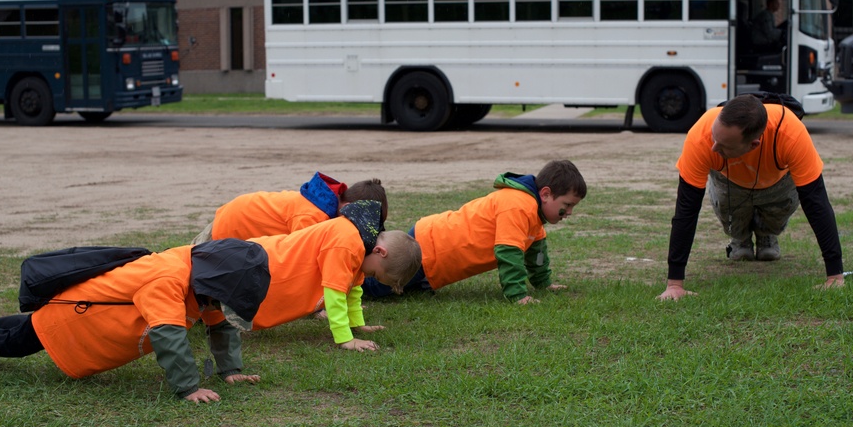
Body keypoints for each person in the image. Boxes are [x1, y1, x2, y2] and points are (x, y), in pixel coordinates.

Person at [0, 240, 271, 401]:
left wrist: (230, 371)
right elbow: (168, 336)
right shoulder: (169, 280)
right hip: (75, 318)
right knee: (17, 342)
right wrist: (188, 389)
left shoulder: (205, 280)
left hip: (79, 309)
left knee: (26, 328)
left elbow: (220, 323)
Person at [658, 93, 845, 301]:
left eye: (724, 145)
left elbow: (816, 203)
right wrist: (675, 284)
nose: (713, 148)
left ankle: (767, 234)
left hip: (778, 183)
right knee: (734, 226)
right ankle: (740, 239)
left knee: (774, 221)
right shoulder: (701, 135)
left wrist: (835, 276)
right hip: (729, 182)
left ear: (753, 144)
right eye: (714, 138)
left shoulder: (789, 132)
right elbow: (686, 210)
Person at [363, 159, 586, 304]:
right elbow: (509, 252)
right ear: (545, 194)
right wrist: (518, 295)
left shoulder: (534, 215)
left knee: (400, 289)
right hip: (429, 249)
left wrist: (544, 283)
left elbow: (536, 253)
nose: (569, 212)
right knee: (376, 287)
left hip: (435, 259)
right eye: (567, 205)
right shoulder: (518, 206)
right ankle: (339, 274)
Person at [227, 199, 422, 352]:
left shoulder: (362, 245)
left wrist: (357, 325)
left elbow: (353, 290)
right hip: (258, 265)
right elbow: (335, 293)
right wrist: (346, 338)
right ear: (380, 251)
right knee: (215, 298)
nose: (368, 276)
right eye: (374, 274)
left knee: (219, 307)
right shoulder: (346, 243)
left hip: (264, 267)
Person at [193, 172, 387, 244]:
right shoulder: (312, 217)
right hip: (234, 225)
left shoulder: (325, 207)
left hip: (235, 214)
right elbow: (302, 259)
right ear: (348, 208)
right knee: (194, 272)